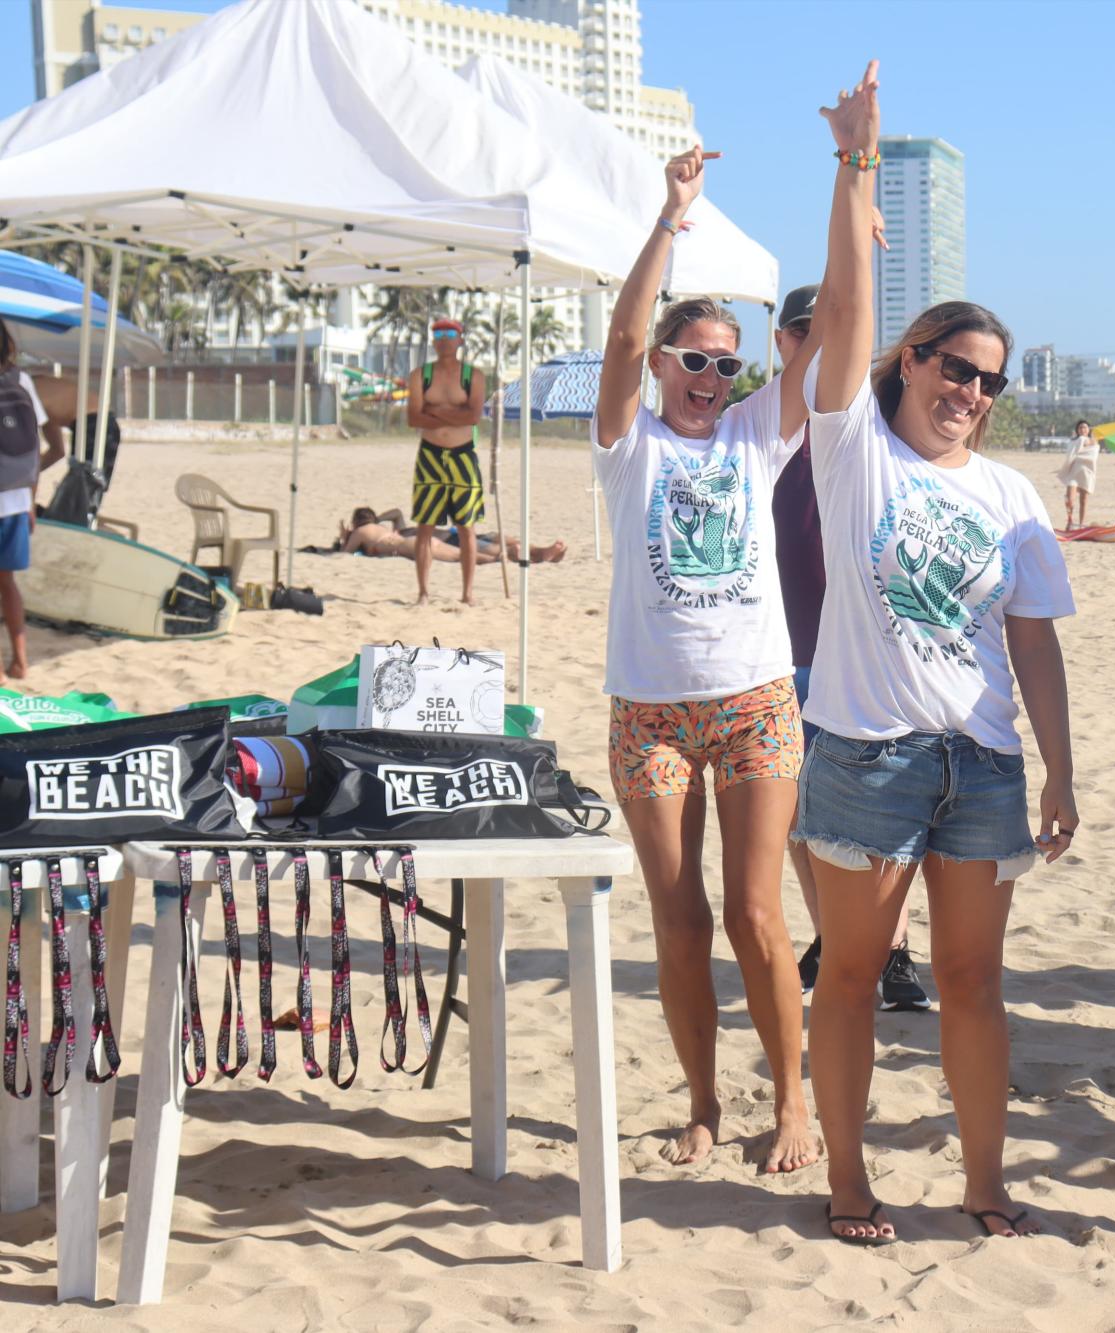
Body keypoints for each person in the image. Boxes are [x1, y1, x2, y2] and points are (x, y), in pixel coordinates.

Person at [801, 61, 1077, 1244]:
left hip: (983, 762)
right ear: (911, 360)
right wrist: (855, 164)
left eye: (987, 381)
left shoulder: (1012, 488)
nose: (968, 391)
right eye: (952, 367)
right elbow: (845, 313)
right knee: (853, 977)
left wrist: (1062, 768)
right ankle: (849, 1178)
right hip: (866, 753)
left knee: (972, 982)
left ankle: (980, 1179)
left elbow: (1033, 642)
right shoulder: (852, 449)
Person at [594, 144, 821, 1175]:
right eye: (693, 361)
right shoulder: (628, 443)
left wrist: (851, 187)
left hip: (754, 703)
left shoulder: (754, 439)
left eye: (726, 365)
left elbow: (824, 348)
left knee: (755, 913)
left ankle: (794, 1103)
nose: (708, 378)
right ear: (661, 369)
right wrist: (667, 221)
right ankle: (701, 1103)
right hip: (647, 710)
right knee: (678, 921)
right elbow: (624, 330)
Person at [770, 281, 930, 1013]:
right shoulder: (757, 429)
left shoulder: (873, 429)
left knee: (885, 816)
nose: (825, 345)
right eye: (811, 331)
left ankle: (892, 946)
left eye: (840, 332)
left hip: (870, 654)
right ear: (784, 341)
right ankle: (836, 934)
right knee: (804, 819)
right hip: (783, 652)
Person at [405, 318, 488, 606]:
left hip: (463, 454)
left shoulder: (473, 376)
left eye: (449, 334)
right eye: (438, 334)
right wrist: (454, 413)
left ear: (460, 339)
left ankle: (467, 593)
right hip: (429, 455)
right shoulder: (420, 375)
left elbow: (472, 416)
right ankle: (423, 592)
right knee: (425, 525)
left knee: (466, 526)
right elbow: (414, 418)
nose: (443, 339)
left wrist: (434, 411)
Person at [0, 318, 50, 680]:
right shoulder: (23, 381)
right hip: (17, 498)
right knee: (8, 581)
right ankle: (20, 661)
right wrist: (31, 501)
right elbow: (33, 447)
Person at [336, 506, 567, 565]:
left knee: (502, 544)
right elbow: (396, 513)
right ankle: (544, 552)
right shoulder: (391, 531)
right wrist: (378, 521)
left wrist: (344, 536)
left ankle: (541, 552)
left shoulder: (389, 531)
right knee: (503, 542)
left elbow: (396, 513)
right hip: (454, 534)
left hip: (451, 537)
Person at [1057, 419, 1098, 529]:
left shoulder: (1094, 442)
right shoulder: (1073, 442)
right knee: (1070, 499)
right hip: (1073, 472)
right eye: (1080, 427)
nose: (1083, 429)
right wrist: (1081, 442)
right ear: (1077, 430)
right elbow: (1070, 456)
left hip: (1086, 473)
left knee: (1083, 500)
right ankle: (1070, 521)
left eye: (1085, 427)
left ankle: (1081, 524)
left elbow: (1092, 457)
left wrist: (1080, 454)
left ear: (1088, 429)